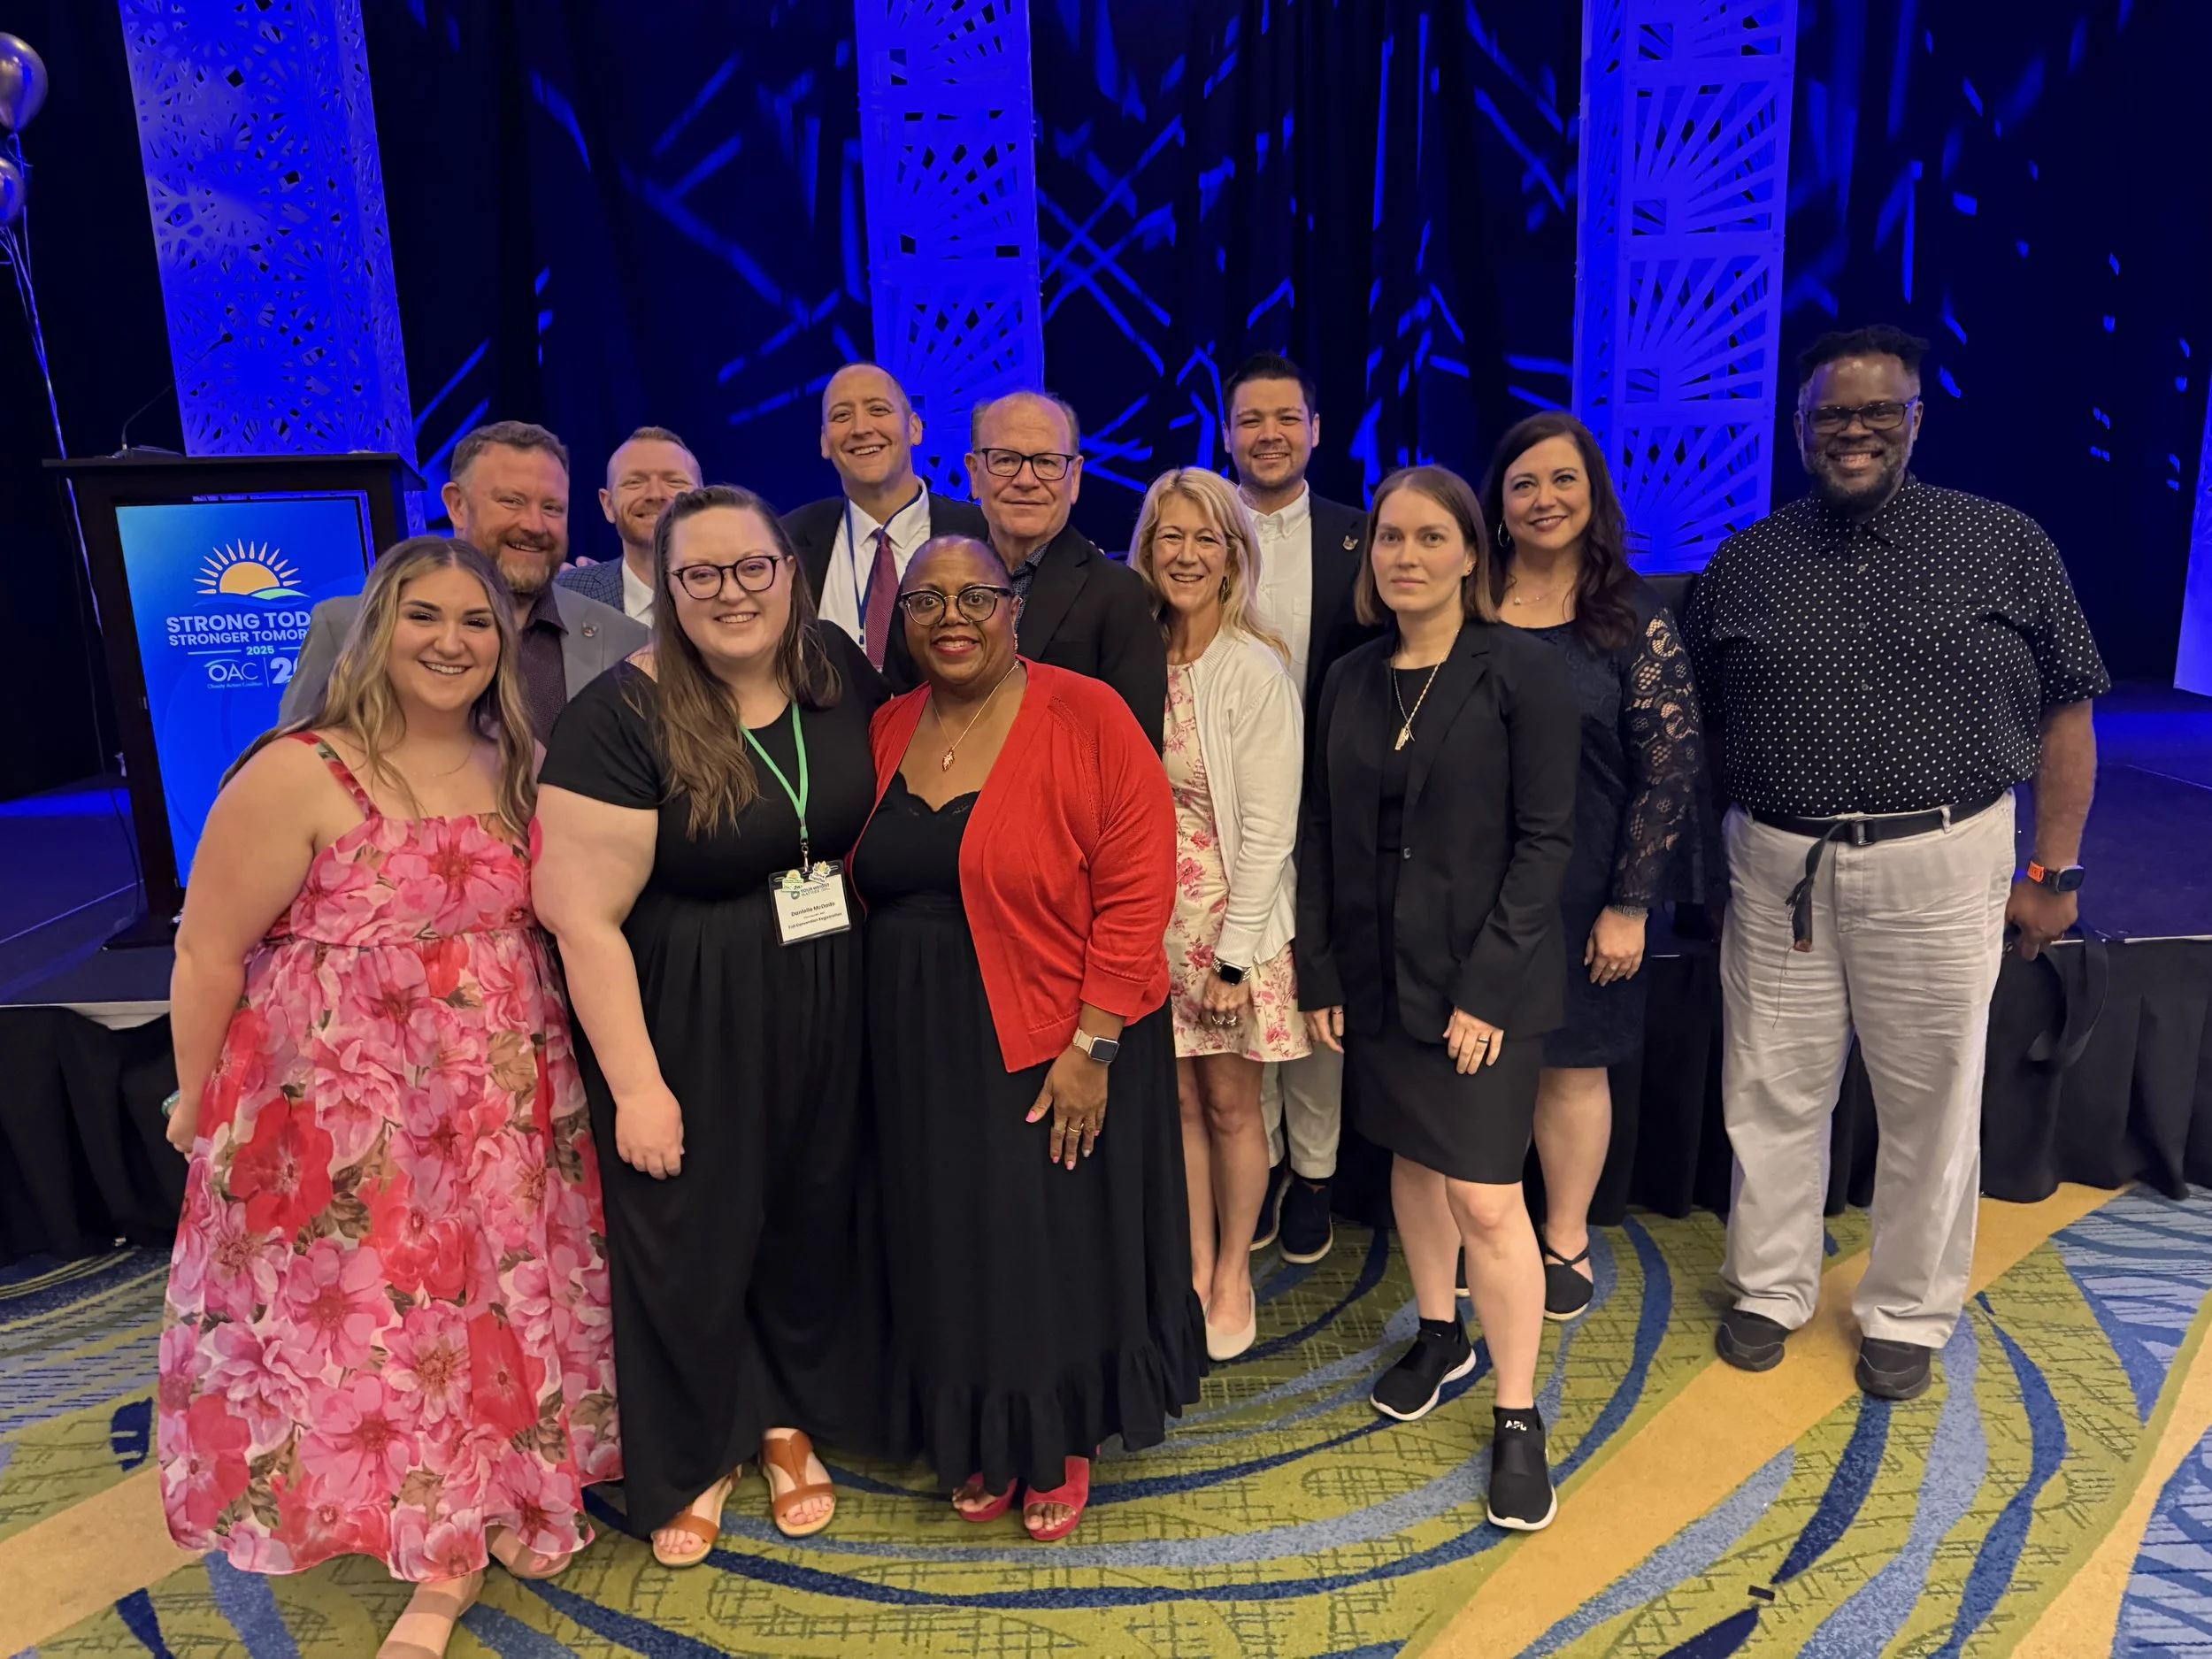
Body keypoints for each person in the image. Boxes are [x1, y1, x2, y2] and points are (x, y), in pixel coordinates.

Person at [157, 537, 619, 1659]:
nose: (451, 642)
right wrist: (196, 1100)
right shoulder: (299, 770)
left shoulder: (522, 760)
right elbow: (209, 954)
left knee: (503, 1311)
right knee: (391, 1330)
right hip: (351, 1113)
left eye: (475, 624)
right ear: (376, 628)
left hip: (505, 1101)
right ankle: (439, 1548)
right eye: (424, 616)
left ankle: (505, 1491)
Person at [1683, 325, 2108, 1402]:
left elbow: (2067, 710)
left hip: (1942, 856)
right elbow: (1707, 726)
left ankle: (1908, 1308)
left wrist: (2054, 871)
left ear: (1916, 418)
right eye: (1832, 413)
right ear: (1798, 428)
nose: (1854, 431)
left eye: (1879, 411)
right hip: (1777, 862)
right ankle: (1770, 1286)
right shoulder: (1745, 561)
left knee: (1929, 1099)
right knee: (1771, 1087)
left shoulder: (2003, 544)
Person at [534, 485, 886, 1564]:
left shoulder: (832, 667)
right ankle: (697, 1451)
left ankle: (786, 1420)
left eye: (752, 569)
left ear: (789, 571)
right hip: (690, 1005)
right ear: (665, 588)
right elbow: (579, 917)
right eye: (701, 575)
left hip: (832, 984)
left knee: (809, 1211)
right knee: (692, 1231)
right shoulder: (621, 714)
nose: (731, 593)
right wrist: (636, 1084)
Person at [853, 534, 1201, 1542]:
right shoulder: (886, 725)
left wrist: (1093, 1044)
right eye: (925, 600)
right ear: (901, 620)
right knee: (948, 1241)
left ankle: (1057, 1436)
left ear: (1012, 608)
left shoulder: (1083, 712)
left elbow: (1140, 887)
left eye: (975, 597)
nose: (951, 617)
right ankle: (975, 1426)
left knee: (1042, 1241)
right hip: (916, 1040)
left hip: (1053, 1032)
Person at [1294, 465, 1578, 1532]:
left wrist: (1490, 991)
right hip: (1375, 983)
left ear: (1470, 551)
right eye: (1386, 541)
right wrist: (1319, 970)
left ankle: (1516, 1415)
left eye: (1428, 538)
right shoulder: (1351, 678)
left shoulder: (1521, 671)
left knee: (1486, 1200)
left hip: (1481, 988)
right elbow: (1322, 832)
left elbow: (1549, 841)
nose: (1403, 557)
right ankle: (1437, 1332)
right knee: (1412, 1164)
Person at [1478, 411, 1706, 1321]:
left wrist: (1630, 904)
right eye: (1524, 482)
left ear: (1593, 494)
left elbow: (1670, 765)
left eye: (1562, 480)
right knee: (1476, 1064)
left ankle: (1563, 1235)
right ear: (1497, 501)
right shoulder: (1465, 601)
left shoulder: (1632, 616)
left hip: (1586, 882)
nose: (1543, 499)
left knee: (1570, 1068)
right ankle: (1482, 1220)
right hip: (1473, 881)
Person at [1127, 466, 1308, 1361]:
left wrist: (1234, 962)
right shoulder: (1132, 655)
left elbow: (1270, 832)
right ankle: (1193, 1266)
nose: (1187, 555)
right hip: (1143, 934)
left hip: (1226, 937)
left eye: (1206, 539)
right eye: (1171, 536)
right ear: (1147, 550)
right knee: (1177, 1111)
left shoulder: (1253, 668)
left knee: (1234, 1107)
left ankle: (1234, 1270)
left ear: (1234, 557)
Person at [1225, 350, 1381, 1264]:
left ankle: (1314, 1176)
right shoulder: (1193, 534)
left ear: (1316, 430)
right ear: (1228, 432)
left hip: (1331, 812)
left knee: (1317, 996)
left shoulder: (1366, 538)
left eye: (1287, 417)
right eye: (1252, 419)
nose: (1270, 434)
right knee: (1240, 993)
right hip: (1220, 815)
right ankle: (1261, 1161)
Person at [284, 422, 646, 738]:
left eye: (552, 508)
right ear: (456, 505)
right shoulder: (345, 627)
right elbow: (290, 776)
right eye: (512, 501)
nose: (535, 525)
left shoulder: (626, 640)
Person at [879, 390, 1169, 749]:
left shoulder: (1117, 593)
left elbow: (1134, 758)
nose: (1026, 479)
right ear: (973, 472)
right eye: (1005, 460)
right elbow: (899, 710)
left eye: (1047, 462)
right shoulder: (929, 573)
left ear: (1075, 476)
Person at [780, 362, 990, 666]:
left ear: (915, 429)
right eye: (841, 416)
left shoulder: (981, 533)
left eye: (878, 410)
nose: (861, 428)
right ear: (825, 443)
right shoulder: (788, 540)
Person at [556, 426, 704, 622]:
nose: (655, 494)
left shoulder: (739, 589)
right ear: (607, 505)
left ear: (703, 500)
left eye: (674, 481)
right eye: (635, 482)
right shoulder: (567, 596)